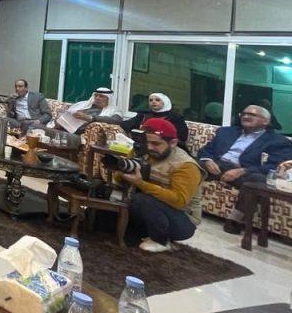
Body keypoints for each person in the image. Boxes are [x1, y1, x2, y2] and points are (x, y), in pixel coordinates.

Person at [197, 104, 292, 233]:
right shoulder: (226, 132)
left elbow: (274, 166)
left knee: (258, 180)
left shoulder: (278, 141)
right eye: (244, 114)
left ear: (266, 121)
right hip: (216, 165)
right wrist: (208, 160)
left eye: (252, 115)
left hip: (244, 172)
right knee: (190, 164)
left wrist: (243, 170)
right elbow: (205, 150)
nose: (246, 116)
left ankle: (235, 220)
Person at [114, 118, 204, 253]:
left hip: (181, 219)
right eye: (147, 142)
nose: (150, 147)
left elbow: (179, 201)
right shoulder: (141, 151)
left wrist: (141, 184)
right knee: (102, 218)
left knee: (141, 200)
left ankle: (161, 240)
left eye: (156, 144)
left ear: (173, 143)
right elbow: (118, 181)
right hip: (145, 210)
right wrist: (121, 173)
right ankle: (141, 233)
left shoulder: (185, 165)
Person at [121, 92, 189, 145]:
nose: (153, 102)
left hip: (165, 146)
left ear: (165, 102)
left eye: (157, 100)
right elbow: (126, 124)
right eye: (151, 100)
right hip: (142, 143)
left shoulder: (175, 117)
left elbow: (182, 136)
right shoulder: (144, 114)